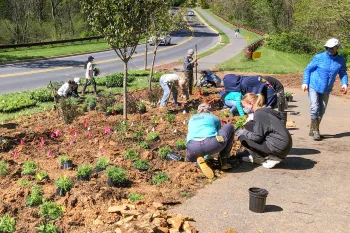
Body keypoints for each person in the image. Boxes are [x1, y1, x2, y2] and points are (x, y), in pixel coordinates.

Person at [302, 38, 348, 141]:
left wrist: (344, 84)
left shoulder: (341, 60)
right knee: (314, 107)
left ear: (337, 48)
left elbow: (343, 73)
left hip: (327, 88)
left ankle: (313, 128)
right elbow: (308, 69)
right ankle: (316, 131)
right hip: (314, 85)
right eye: (327, 48)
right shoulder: (319, 57)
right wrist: (305, 82)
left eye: (332, 48)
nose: (329, 50)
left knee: (322, 110)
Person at [236, 93, 292, 169]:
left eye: (244, 106)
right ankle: (263, 156)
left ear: (251, 103)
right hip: (284, 144)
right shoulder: (265, 111)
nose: (244, 108)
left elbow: (257, 138)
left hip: (279, 147)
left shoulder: (259, 114)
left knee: (242, 137)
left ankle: (265, 157)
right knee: (248, 125)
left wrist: (244, 132)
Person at [186, 103, 235, 178]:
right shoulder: (213, 117)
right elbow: (218, 133)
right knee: (229, 127)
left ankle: (196, 162)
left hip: (192, 148)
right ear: (209, 110)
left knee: (193, 143)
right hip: (211, 144)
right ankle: (223, 161)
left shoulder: (192, 118)